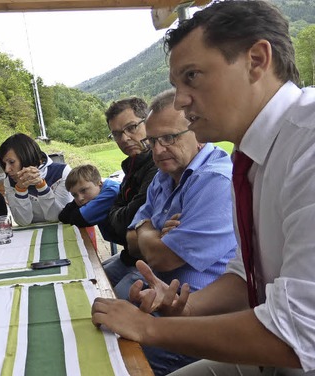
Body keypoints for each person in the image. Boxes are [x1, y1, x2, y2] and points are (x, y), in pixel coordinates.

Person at [92, 2, 313, 374]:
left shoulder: (306, 147)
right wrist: (184, 305)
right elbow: (249, 276)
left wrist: (149, 327)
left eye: (192, 76)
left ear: (257, 60)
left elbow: (298, 333)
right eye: (176, 84)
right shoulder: (254, 155)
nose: (180, 100)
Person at [122, 89, 238, 375]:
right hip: (162, 303)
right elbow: (130, 240)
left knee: (119, 358)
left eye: (170, 137)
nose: (158, 150)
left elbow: (163, 259)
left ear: (198, 133)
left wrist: (148, 230)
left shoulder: (216, 181)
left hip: (203, 321)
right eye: (152, 140)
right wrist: (155, 233)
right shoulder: (164, 176)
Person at [99, 98, 158, 290]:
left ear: (148, 122)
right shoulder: (132, 165)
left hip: (149, 264)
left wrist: (118, 213)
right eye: (116, 134)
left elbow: (129, 218)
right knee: (94, 278)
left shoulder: (157, 165)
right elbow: (119, 216)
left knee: (104, 294)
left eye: (131, 127)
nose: (124, 138)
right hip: (130, 256)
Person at [0, 133, 72, 226]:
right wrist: (20, 190)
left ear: (27, 156)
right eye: (4, 164)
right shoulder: (9, 182)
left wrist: (42, 187)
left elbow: (58, 217)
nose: (7, 169)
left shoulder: (61, 173)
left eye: (11, 162)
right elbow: (23, 222)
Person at [58, 164, 120, 231]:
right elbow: (63, 216)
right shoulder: (98, 190)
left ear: (100, 183)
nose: (80, 198)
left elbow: (79, 219)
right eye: (74, 195)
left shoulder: (112, 193)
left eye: (83, 190)